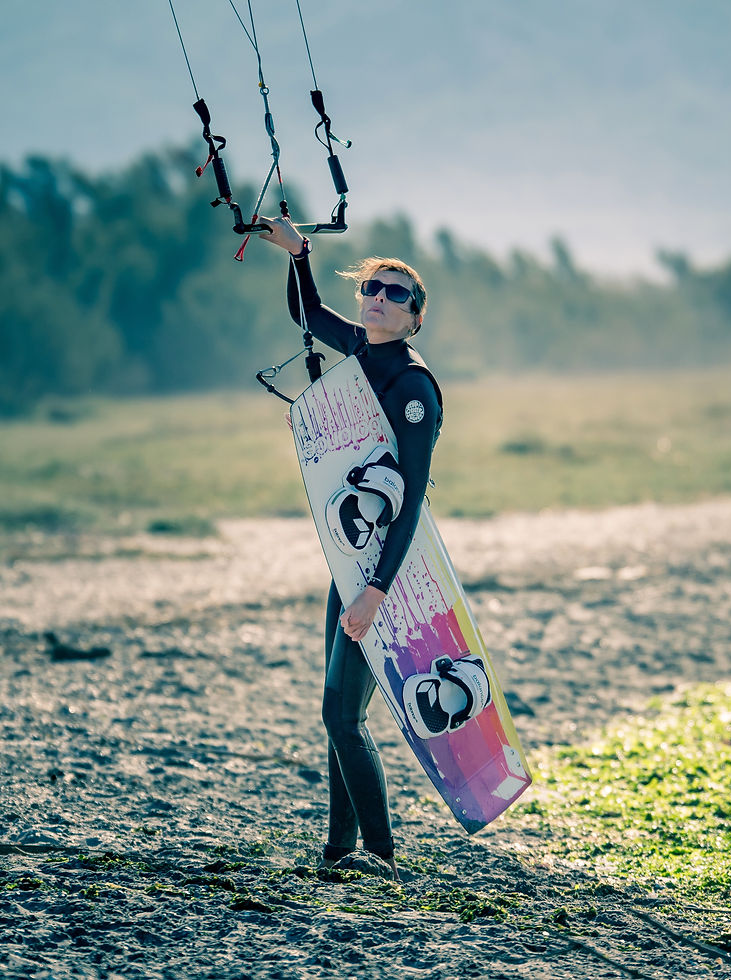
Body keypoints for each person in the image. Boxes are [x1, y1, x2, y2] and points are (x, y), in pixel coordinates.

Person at [259, 216, 442, 882]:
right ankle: (339, 847)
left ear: (414, 317)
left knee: (341, 713)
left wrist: (376, 590)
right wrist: (300, 253)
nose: (379, 298)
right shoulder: (364, 351)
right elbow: (307, 313)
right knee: (339, 709)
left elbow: (412, 497)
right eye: (372, 286)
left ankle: (379, 855)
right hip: (350, 562)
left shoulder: (413, 387)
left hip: (386, 570)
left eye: (396, 293)